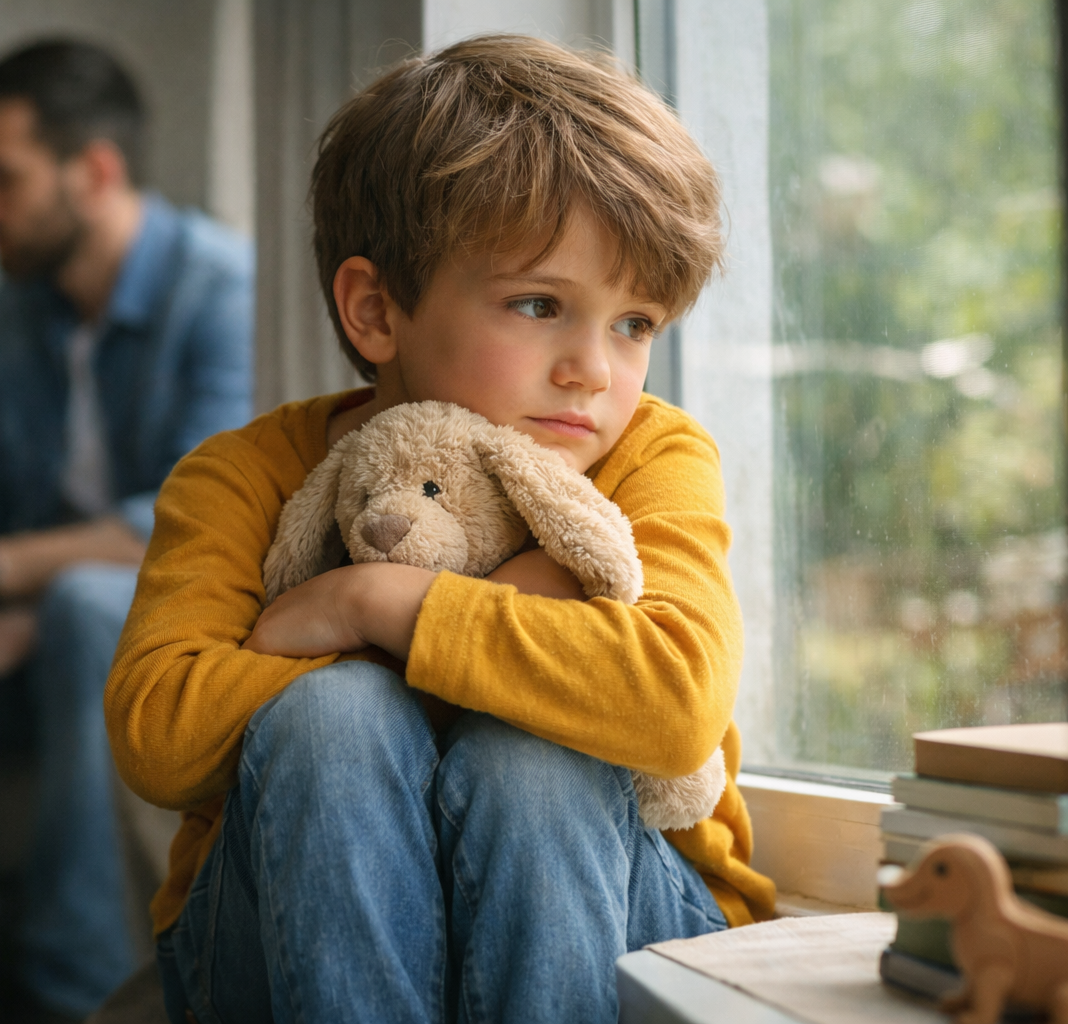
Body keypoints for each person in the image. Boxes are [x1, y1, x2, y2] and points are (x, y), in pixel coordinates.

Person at [105, 35, 781, 1024]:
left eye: (635, 323)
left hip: (630, 924)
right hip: (276, 947)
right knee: (336, 721)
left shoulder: (652, 453)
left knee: (535, 758)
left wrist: (369, 602)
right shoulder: (242, 476)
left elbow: (674, 702)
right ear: (376, 310)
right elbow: (161, 735)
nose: (595, 370)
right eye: (540, 304)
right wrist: (493, 621)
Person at [0, 38, 253, 1023]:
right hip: (38, 619)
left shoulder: (224, 291)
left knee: (86, 603)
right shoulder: (12, 309)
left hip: (187, 619)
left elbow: (191, 519)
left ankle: (75, 991)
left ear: (94, 172)